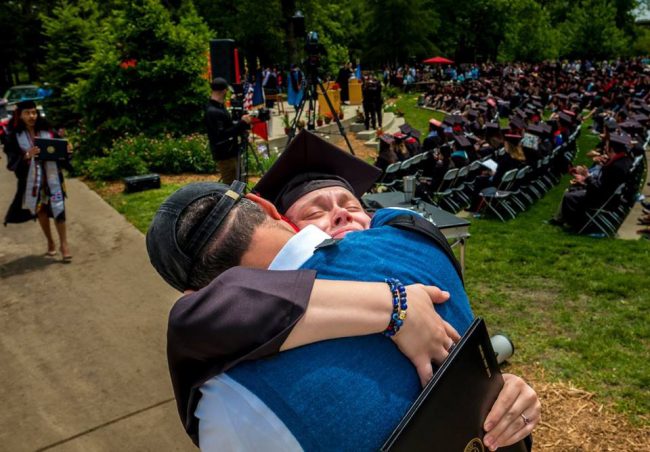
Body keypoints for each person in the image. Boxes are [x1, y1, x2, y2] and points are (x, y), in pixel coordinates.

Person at [147, 131, 540, 451]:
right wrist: (395, 305)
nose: (340, 214)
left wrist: (502, 389)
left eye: (351, 203)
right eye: (315, 213)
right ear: (271, 210)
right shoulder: (419, 241)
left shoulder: (224, 397)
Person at [3, 100, 73, 261]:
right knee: (41, 211)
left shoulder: (48, 131)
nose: (32, 116)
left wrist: (67, 151)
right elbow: (12, 161)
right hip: (34, 184)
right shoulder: (14, 137)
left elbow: (61, 152)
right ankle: (50, 242)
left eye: (34, 112)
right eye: (27, 113)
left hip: (53, 181)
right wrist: (27, 155)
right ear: (19, 115)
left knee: (59, 210)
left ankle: (64, 245)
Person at [205, 77, 251, 184]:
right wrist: (242, 124)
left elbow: (227, 128)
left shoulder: (218, 108)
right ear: (225, 91)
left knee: (238, 183)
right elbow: (221, 135)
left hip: (231, 152)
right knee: (231, 187)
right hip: (225, 155)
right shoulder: (213, 111)